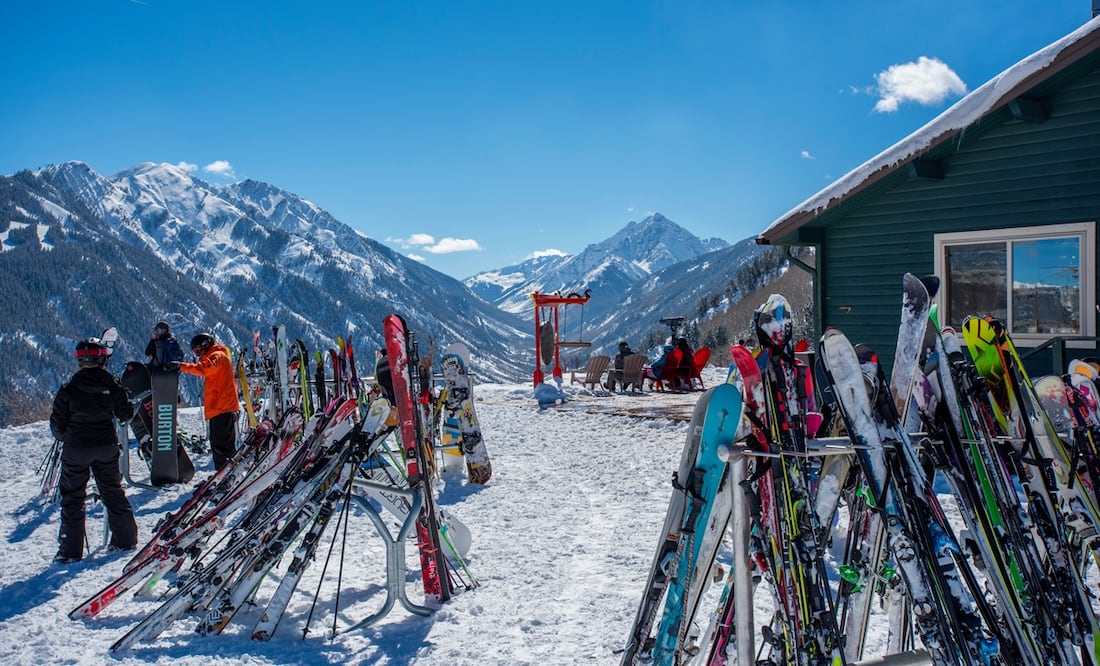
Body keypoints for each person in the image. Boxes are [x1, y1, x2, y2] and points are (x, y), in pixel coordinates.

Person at [49, 338, 138, 563]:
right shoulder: (112, 384)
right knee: (112, 490)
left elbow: (57, 425)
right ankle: (125, 539)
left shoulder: (69, 388)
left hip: (76, 447)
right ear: (103, 359)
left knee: (72, 497)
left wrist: (67, 437)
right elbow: (126, 414)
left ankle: (70, 552)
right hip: (106, 445)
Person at [180, 333, 240, 471]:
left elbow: (204, 369)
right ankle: (224, 474)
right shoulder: (215, 355)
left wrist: (181, 367)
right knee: (219, 446)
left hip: (222, 408)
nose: (198, 354)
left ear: (206, 345)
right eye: (195, 351)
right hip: (220, 408)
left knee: (221, 447)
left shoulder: (217, 356)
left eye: (198, 350)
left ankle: (226, 475)